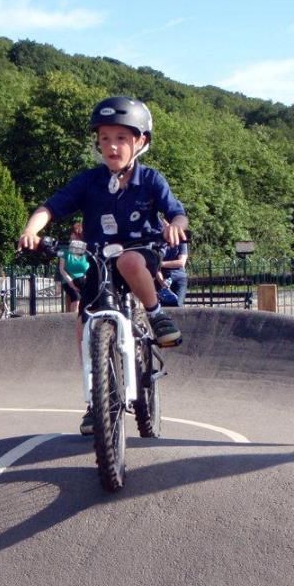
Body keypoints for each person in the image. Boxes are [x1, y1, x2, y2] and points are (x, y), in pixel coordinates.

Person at [17, 95, 189, 435]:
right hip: (99, 258)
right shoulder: (90, 181)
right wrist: (31, 230)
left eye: (122, 138)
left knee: (128, 260)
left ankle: (155, 314)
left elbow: (177, 213)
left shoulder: (151, 180)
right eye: (105, 138)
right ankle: (96, 398)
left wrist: (174, 227)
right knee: (86, 322)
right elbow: (50, 208)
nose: (112, 146)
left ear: (140, 141)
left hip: (141, 254)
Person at [58, 221, 89, 313]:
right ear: (72, 236)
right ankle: (72, 322)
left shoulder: (88, 251)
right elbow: (61, 269)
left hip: (84, 280)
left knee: (90, 300)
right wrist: (71, 283)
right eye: (76, 236)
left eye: (80, 237)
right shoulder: (64, 251)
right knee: (76, 300)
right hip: (69, 280)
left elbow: (91, 269)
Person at [159, 238, 189, 306]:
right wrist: (161, 281)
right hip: (162, 279)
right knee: (163, 308)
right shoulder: (158, 242)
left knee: (178, 306)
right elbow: (155, 267)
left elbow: (181, 262)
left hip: (179, 278)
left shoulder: (181, 241)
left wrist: (161, 264)